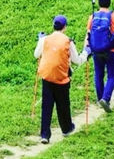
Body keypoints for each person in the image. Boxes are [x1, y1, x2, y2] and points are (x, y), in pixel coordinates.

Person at [34, 15, 85, 145]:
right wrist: (86, 53)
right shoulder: (68, 41)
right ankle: (66, 128)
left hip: (47, 77)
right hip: (61, 78)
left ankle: (45, 134)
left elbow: (36, 54)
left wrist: (40, 41)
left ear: (53, 26)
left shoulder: (44, 39)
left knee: (47, 106)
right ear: (65, 27)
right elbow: (76, 60)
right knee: (63, 105)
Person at [83, 0, 114, 113]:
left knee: (98, 75)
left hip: (96, 50)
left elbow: (88, 34)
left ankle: (100, 99)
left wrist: (86, 50)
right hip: (111, 50)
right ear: (109, 2)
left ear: (99, 3)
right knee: (112, 76)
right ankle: (106, 98)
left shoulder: (92, 16)